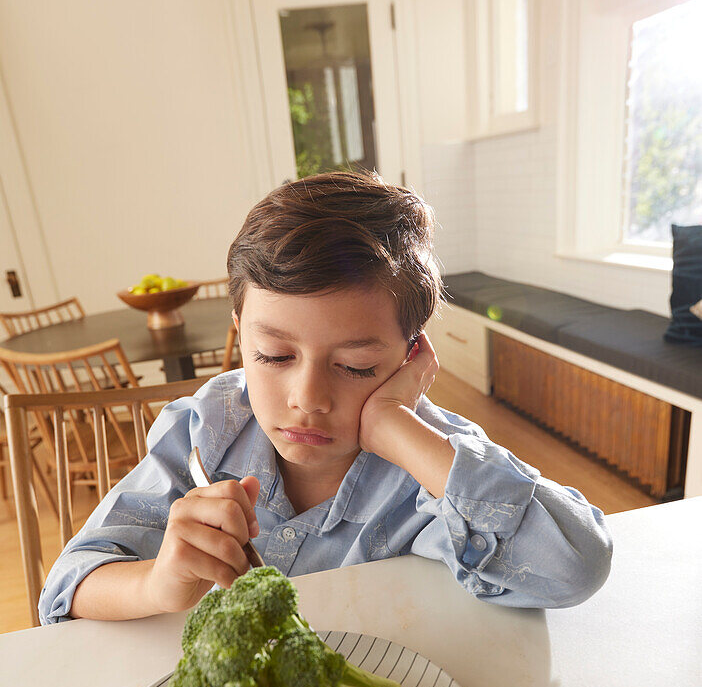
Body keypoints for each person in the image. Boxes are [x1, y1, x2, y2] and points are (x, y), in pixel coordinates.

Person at [39, 171, 612, 624]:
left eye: (355, 366)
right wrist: (156, 583)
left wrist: (395, 428)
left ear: (411, 357)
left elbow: (574, 568)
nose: (309, 398)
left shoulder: (430, 466)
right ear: (240, 331)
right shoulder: (206, 433)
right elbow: (68, 585)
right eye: (274, 356)